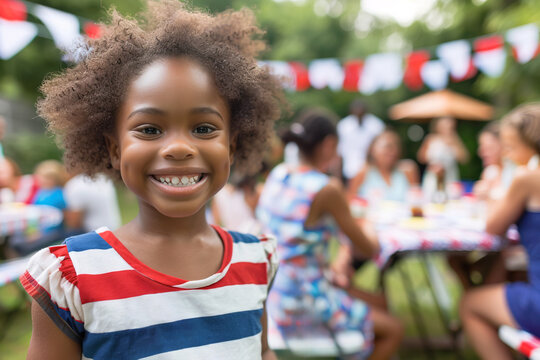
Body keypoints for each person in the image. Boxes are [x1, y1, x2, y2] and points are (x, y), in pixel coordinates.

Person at [19, 1, 285, 359]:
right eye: (149, 129)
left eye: (204, 128)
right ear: (114, 150)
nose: (178, 147)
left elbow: (262, 352)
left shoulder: (256, 260)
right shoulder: (73, 277)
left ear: (232, 146)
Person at [257, 109, 403, 360]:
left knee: (379, 302)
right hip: (304, 301)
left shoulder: (279, 174)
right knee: (395, 329)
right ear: (329, 145)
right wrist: (367, 223)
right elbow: (368, 248)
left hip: (275, 294)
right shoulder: (326, 188)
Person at [460, 103, 540, 359]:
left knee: (469, 304)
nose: (506, 153)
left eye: (511, 146)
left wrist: (492, 196)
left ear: (531, 143)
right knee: (508, 270)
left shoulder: (527, 178)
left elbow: (493, 226)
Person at [10, 160, 68, 256]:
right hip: (35, 230)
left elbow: (59, 219)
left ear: (56, 178)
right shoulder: (40, 192)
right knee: (15, 239)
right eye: (41, 177)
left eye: (47, 177)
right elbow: (33, 213)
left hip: (52, 233)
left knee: (19, 244)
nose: (43, 180)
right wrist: (31, 231)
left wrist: (38, 234)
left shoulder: (59, 194)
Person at [347, 128, 416, 203]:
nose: (393, 151)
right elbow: (351, 202)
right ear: (373, 150)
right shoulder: (363, 173)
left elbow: (416, 200)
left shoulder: (407, 170)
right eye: (388, 147)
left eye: (396, 147)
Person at [417, 116, 469, 199]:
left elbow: (464, 159)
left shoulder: (454, 140)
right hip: (433, 178)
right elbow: (421, 158)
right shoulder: (431, 139)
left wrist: (454, 142)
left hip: (450, 178)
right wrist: (433, 166)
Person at [337, 99, 385, 183]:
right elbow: (339, 153)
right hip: (349, 171)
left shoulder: (376, 125)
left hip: (371, 172)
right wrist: (338, 177)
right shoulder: (344, 126)